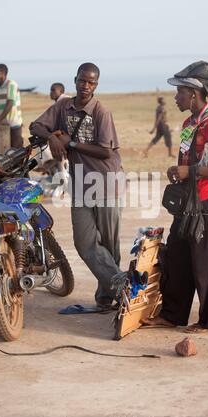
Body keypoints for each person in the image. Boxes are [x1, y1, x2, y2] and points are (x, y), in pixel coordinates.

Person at [141, 60, 208, 333]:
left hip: (207, 203)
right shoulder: (189, 122)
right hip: (187, 204)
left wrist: (191, 171)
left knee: (207, 263)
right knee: (178, 258)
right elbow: (187, 158)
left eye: (180, 92)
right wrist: (178, 171)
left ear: (194, 94)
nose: (176, 97)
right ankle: (172, 315)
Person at [30, 63, 124, 311]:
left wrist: (69, 143)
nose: (85, 86)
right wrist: (52, 137)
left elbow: (105, 151)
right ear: (75, 80)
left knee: (109, 246)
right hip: (81, 183)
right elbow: (35, 126)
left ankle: (107, 299)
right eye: (82, 80)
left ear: (96, 85)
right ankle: (124, 291)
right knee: (85, 243)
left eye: (91, 82)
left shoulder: (101, 112)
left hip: (106, 182)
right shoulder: (63, 106)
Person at [0, 64, 23, 148]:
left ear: (2, 73)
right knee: (5, 151)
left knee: (16, 150)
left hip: (14, 123)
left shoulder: (11, 84)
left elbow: (9, 105)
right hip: (3, 124)